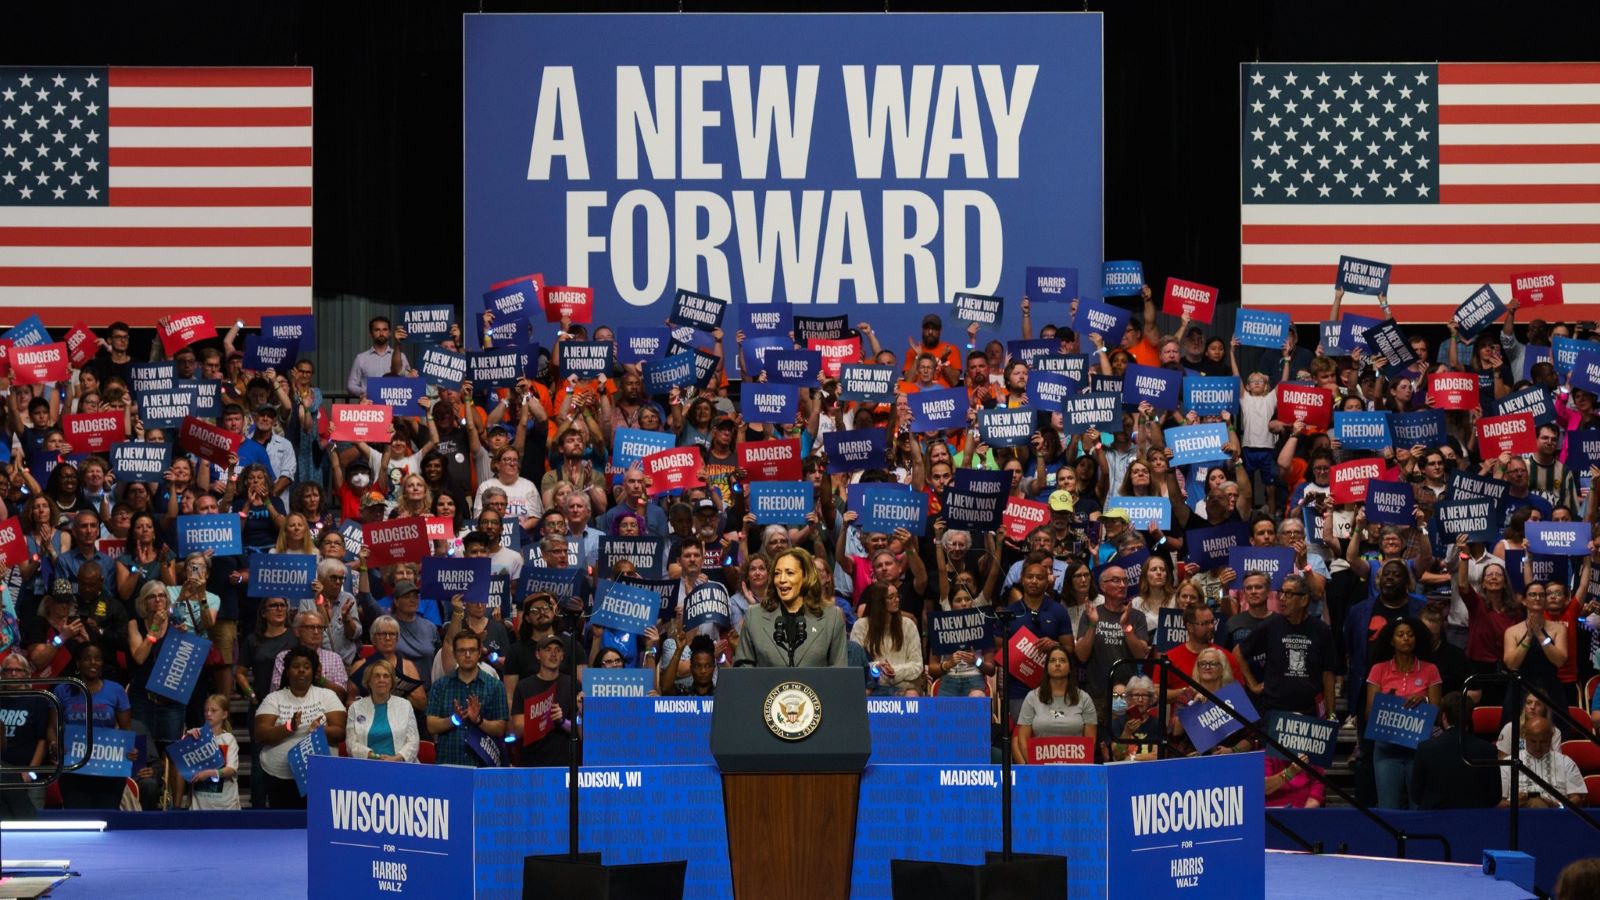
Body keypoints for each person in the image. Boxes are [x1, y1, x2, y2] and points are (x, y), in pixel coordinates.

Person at [1364, 616, 1442, 809]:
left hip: (1419, 748)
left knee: (1418, 808)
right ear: (1391, 640)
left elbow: (1437, 714)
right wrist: (1385, 702)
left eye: (1410, 634)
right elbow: (1368, 714)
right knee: (1388, 807)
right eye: (1400, 634)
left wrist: (1423, 701)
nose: (1405, 638)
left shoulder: (1430, 670)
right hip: (1386, 748)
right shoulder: (1378, 670)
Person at [255, 645, 346, 808]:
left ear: (314, 671)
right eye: (296, 667)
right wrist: (289, 726)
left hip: (319, 775)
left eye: (306, 667)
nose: (301, 671)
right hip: (278, 777)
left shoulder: (327, 696)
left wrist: (321, 731)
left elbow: (340, 733)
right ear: (287, 671)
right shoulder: (273, 698)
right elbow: (261, 734)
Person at [1235, 574, 1336, 718]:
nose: (1282, 598)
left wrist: (1331, 713)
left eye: (1288, 594)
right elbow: (1238, 652)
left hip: (1310, 712)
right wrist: (1253, 685)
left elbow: (1328, 674)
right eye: (1281, 592)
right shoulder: (1270, 625)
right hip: (1275, 711)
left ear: (1304, 599)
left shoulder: (1321, 630)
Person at [733, 547, 848, 667]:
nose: (782, 580)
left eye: (789, 573)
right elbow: (743, 670)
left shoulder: (832, 618)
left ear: (805, 576)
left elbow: (839, 673)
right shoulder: (754, 616)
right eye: (777, 573)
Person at [53, 643, 131, 809]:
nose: (93, 663)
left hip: (108, 768)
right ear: (78, 663)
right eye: (87, 659)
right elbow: (52, 728)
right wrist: (55, 745)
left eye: (97, 659)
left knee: (107, 817)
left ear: (102, 663)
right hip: (74, 768)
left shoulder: (116, 690)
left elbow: (126, 731)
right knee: (77, 820)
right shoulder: (63, 690)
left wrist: (130, 750)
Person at [426, 630, 510, 766]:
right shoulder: (440, 686)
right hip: (448, 764)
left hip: (483, 766)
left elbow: (501, 728)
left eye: (472, 650)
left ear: (479, 653)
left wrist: (478, 720)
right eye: (462, 650)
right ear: (454, 654)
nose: (467, 655)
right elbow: (431, 725)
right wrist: (453, 720)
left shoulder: (495, 686)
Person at [1410, 692, 1502, 810]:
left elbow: (1416, 796)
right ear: (1470, 717)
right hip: (1476, 822)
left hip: (1434, 822)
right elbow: (1495, 797)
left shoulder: (1425, 748)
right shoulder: (1488, 750)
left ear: (1444, 717)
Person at [1012, 647, 1097, 763]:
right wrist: (1033, 767)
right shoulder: (1032, 697)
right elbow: (1022, 739)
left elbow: (1090, 742)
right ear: (1046, 668)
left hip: (1075, 769)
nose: (1057, 664)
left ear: (1070, 668)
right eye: (1052, 661)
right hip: (1040, 768)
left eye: (1062, 660)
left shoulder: (1084, 698)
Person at [512, 634, 580, 766]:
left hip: (564, 764)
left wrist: (561, 721)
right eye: (548, 649)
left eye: (557, 650)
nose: (553, 654)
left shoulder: (573, 685)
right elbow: (518, 729)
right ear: (538, 654)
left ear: (562, 656)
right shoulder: (524, 686)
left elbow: (580, 730)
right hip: (532, 764)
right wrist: (543, 717)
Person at [850, 582, 923, 696]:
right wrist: (877, 667)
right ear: (879, 602)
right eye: (891, 597)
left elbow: (917, 665)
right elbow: (856, 666)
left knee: (912, 695)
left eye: (897, 596)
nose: (897, 600)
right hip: (873, 688)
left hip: (903, 687)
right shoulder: (861, 626)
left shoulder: (908, 625)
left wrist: (894, 671)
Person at [1499, 716, 1587, 809]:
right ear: (1525, 737)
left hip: (1556, 816)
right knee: (1534, 802)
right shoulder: (1509, 764)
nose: (1538, 747)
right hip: (1519, 815)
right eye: (1533, 741)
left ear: (1551, 737)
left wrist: (1559, 806)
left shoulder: (1566, 763)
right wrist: (1513, 803)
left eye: (1543, 742)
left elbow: (1577, 798)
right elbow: (1497, 803)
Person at [347, 658, 421, 763]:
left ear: (392, 682)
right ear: (369, 681)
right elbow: (351, 743)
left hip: (400, 765)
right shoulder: (355, 707)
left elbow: (413, 741)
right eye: (377, 676)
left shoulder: (405, 705)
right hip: (367, 764)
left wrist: (396, 758)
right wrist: (374, 757)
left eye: (386, 676)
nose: (381, 679)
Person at [184, 694, 241, 810]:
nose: (208, 714)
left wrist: (209, 773)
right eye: (206, 711)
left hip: (226, 807)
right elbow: (183, 765)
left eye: (213, 711)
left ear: (224, 714)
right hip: (199, 807)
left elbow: (231, 769)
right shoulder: (196, 736)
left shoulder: (229, 739)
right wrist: (187, 738)